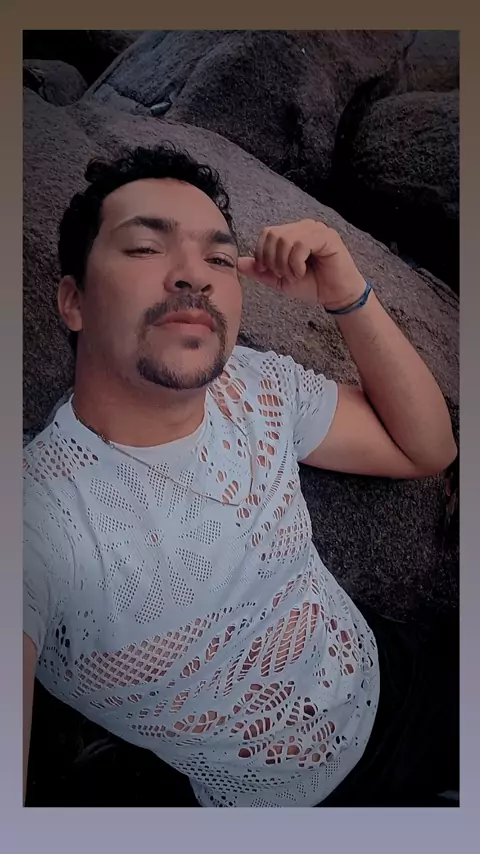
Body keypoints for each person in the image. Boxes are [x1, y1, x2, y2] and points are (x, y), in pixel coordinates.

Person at [23, 143, 458, 808]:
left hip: (390, 671)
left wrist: (346, 292)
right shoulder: (40, 513)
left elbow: (427, 448)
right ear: (73, 300)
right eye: (145, 248)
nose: (192, 277)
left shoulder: (257, 388)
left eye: (220, 259)